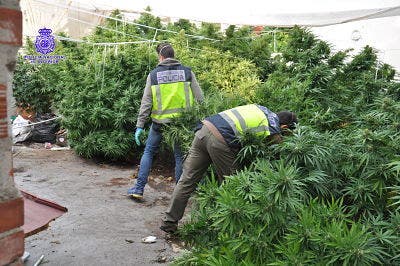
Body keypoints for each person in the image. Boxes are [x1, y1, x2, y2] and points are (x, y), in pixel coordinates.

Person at [160, 104, 297, 233]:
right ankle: (224, 228)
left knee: (186, 181)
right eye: (288, 133)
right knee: (234, 185)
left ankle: (169, 222)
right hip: (219, 140)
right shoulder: (274, 128)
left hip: (203, 130)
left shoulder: (260, 109)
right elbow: (277, 157)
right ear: (284, 127)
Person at [127, 43, 204, 199]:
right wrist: (201, 119)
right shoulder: (187, 72)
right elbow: (200, 98)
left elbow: (146, 102)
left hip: (159, 124)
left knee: (148, 152)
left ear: (161, 57)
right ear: (173, 55)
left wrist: (140, 125)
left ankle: (138, 189)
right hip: (180, 124)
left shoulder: (154, 75)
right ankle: (179, 194)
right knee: (179, 157)